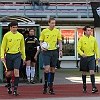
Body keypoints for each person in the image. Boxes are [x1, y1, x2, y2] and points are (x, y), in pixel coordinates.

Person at [1, 21, 26, 96]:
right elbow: (2, 47)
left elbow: (22, 47)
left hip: (17, 55)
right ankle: (8, 85)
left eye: (16, 27)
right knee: (9, 73)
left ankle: (15, 89)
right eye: (13, 27)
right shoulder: (7, 35)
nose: (15, 29)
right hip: (9, 55)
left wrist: (24, 57)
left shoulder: (20, 36)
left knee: (16, 71)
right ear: (10, 28)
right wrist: (2, 56)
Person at [39, 17, 62, 94]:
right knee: (46, 69)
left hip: (54, 51)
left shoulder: (57, 31)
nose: (53, 24)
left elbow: (59, 41)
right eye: (52, 23)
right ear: (48, 23)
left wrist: (60, 50)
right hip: (46, 52)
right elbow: (41, 41)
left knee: (52, 69)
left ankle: (51, 87)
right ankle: (45, 85)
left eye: (54, 23)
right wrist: (42, 47)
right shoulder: (44, 31)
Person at [77, 26, 99, 93]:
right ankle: (84, 86)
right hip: (84, 58)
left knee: (92, 71)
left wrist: (98, 56)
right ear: (85, 31)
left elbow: (96, 48)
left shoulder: (93, 39)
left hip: (91, 57)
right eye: (88, 30)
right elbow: (78, 48)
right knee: (84, 72)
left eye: (90, 30)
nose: (90, 32)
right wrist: (82, 53)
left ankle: (93, 87)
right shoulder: (82, 39)